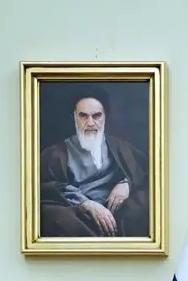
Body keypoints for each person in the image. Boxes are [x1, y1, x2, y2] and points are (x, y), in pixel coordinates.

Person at [39, 85, 149, 239]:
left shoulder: (120, 147)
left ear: (105, 117)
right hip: (79, 213)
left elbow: (145, 172)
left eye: (96, 116)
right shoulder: (55, 153)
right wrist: (86, 204)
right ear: (74, 117)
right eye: (83, 116)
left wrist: (126, 184)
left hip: (118, 212)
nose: (90, 123)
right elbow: (49, 187)